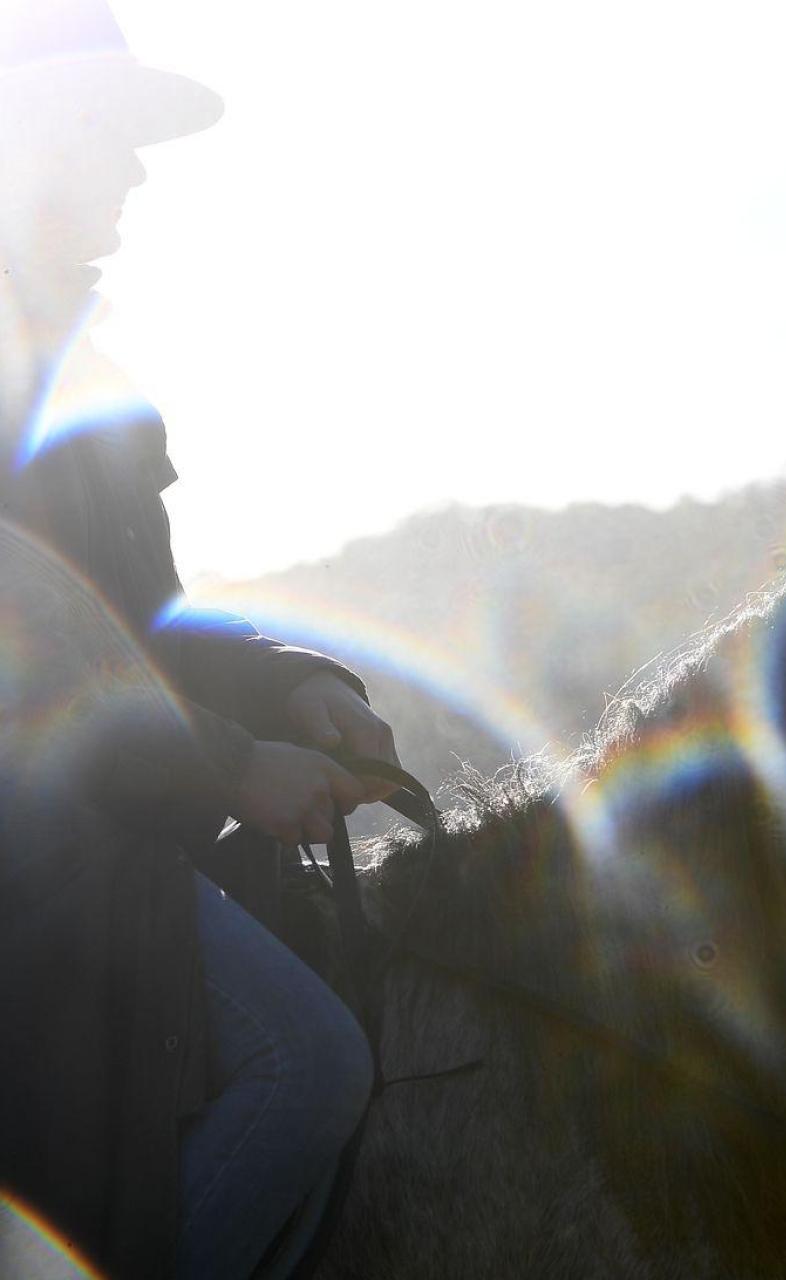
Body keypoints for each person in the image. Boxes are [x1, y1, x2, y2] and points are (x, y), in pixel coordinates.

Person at [0, 5, 403, 1277]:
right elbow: (34, 666)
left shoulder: (95, 376)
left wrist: (291, 690)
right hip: (39, 856)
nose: (130, 173)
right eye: (103, 137)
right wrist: (227, 765)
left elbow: (143, 633)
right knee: (309, 1064)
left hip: (102, 829)